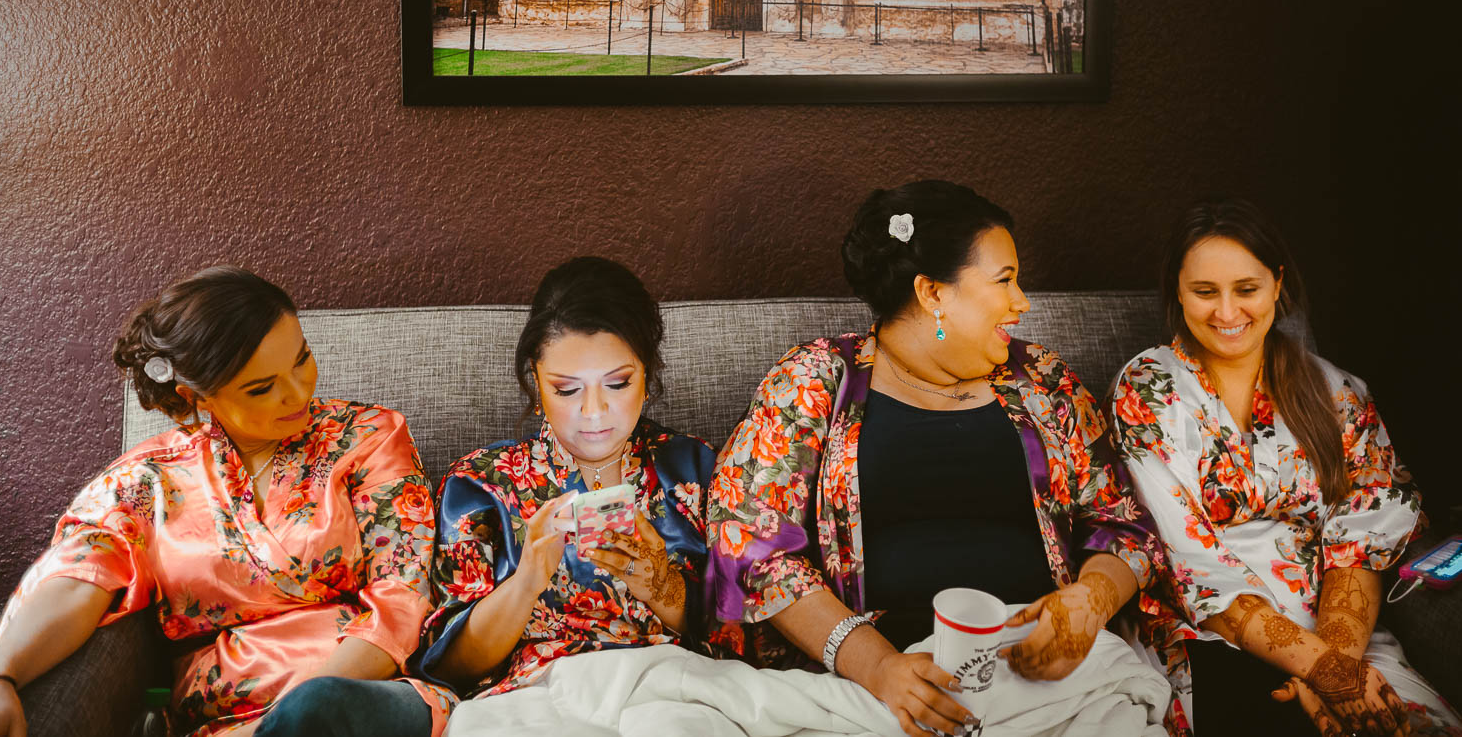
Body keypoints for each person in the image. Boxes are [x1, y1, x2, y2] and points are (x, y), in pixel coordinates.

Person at [705, 180, 1171, 737]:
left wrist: (1090, 602)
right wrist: (878, 667)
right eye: (1005, 281)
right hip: (885, 686)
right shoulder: (815, 382)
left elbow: (1123, 525)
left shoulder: (1043, 381)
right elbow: (749, 544)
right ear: (933, 293)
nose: (1022, 301)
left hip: (1048, 677)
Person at [0, 266, 453, 737]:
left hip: (364, 699)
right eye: (262, 387)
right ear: (197, 396)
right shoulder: (147, 481)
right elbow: (76, 578)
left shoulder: (367, 436)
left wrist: (279, 723)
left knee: (314, 714)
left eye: (302, 358)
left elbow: (402, 594)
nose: (299, 391)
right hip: (221, 720)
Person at [1110, 199, 1460, 737]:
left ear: (1276, 284)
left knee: (1411, 728)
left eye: (1246, 289)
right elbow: (1184, 557)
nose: (1227, 313)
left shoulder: (1336, 392)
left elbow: (1365, 533)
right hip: (1212, 635)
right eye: (1205, 292)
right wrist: (1320, 670)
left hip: (1341, 629)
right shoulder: (1149, 390)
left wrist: (1336, 668)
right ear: (1177, 291)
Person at [414, 256, 720, 698]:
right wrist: (526, 582)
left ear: (647, 376)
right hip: (540, 699)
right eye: (567, 389)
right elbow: (450, 667)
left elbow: (744, 635)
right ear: (535, 383)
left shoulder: (694, 470)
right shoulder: (480, 485)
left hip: (675, 692)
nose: (593, 412)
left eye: (617, 384)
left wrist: (662, 585)